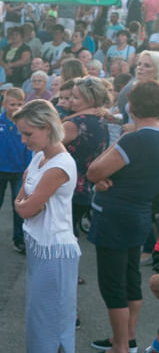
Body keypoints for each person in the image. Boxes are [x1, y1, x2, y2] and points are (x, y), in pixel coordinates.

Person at [11, 99, 80, 353]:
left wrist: (24, 205)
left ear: (47, 128)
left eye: (28, 134)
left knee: (49, 323)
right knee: (35, 318)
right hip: (40, 245)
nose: (23, 140)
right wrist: (23, 205)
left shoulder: (59, 165)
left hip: (56, 251)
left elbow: (27, 206)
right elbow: (22, 197)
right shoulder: (40, 156)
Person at [86, 80, 159, 353]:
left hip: (115, 215)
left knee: (112, 283)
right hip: (139, 213)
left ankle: (119, 350)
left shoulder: (135, 139)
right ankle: (127, 337)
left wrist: (122, 138)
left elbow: (94, 170)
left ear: (131, 106)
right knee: (130, 278)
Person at [0, 88, 31, 253]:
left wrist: (29, 170)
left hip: (18, 172)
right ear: (4, 104)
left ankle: (18, 239)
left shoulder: (26, 123)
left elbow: (30, 148)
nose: (16, 107)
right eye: (12, 104)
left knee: (17, 205)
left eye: (19, 104)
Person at [62, 77, 109, 242]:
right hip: (87, 189)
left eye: (75, 97)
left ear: (91, 100)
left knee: (63, 235)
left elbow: (47, 146)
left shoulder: (73, 124)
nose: (70, 101)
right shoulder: (102, 121)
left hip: (67, 187)